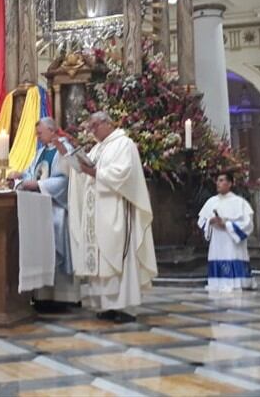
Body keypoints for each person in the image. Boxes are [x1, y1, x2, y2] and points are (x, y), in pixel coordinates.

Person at [60, 111, 158, 323]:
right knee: (100, 258)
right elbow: (85, 174)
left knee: (117, 256)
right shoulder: (97, 148)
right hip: (96, 212)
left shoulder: (124, 144)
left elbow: (122, 174)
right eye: (90, 127)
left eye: (95, 126)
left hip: (116, 210)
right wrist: (76, 165)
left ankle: (125, 307)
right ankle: (107, 305)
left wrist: (93, 172)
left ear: (108, 123)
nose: (92, 131)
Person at [15, 117, 80, 311]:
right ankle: (42, 296)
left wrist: (38, 185)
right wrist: (21, 176)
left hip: (57, 208)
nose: (37, 136)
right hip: (39, 209)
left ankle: (62, 297)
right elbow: (32, 173)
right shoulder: (41, 152)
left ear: (52, 131)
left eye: (40, 133)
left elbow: (65, 181)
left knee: (56, 245)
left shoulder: (64, 150)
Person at [198, 172, 256, 292]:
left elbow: (248, 224)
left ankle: (237, 282)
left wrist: (227, 224)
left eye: (221, 180)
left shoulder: (239, 202)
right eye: (217, 180)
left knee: (232, 255)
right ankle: (218, 282)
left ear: (230, 183)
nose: (218, 183)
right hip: (217, 239)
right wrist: (211, 221)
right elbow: (202, 221)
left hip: (232, 239)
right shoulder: (212, 201)